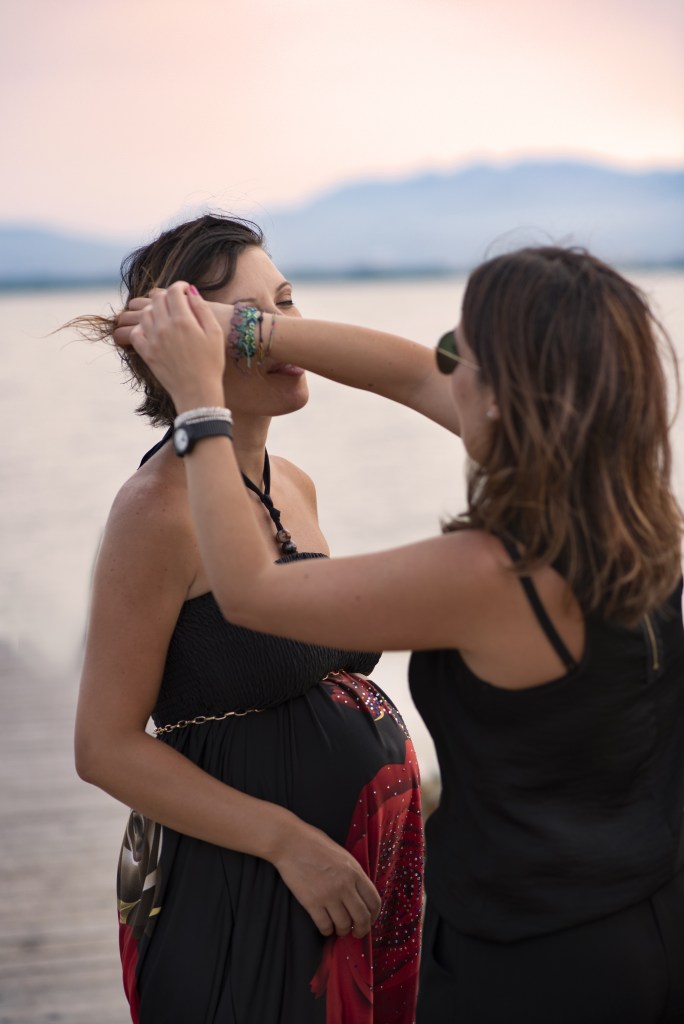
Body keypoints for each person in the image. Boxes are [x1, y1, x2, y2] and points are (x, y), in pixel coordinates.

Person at [119, 245, 684, 1024]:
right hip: (647, 913)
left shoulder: (494, 575)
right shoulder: (641, 515)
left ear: (504, 396)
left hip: (533, 954)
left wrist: (199, 403)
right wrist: (246, 332)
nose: (444, 368)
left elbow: (251, 591)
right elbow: (415, 374)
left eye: (462, 355)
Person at [73, 214, 424, 1024]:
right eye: (246, 319)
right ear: (185, 346)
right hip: (242, 889)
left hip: (356, 874)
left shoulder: (293, 482)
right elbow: (104, 746)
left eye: (286, 303)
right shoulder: (155, 512)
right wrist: (285, 841)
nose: (283, 332)